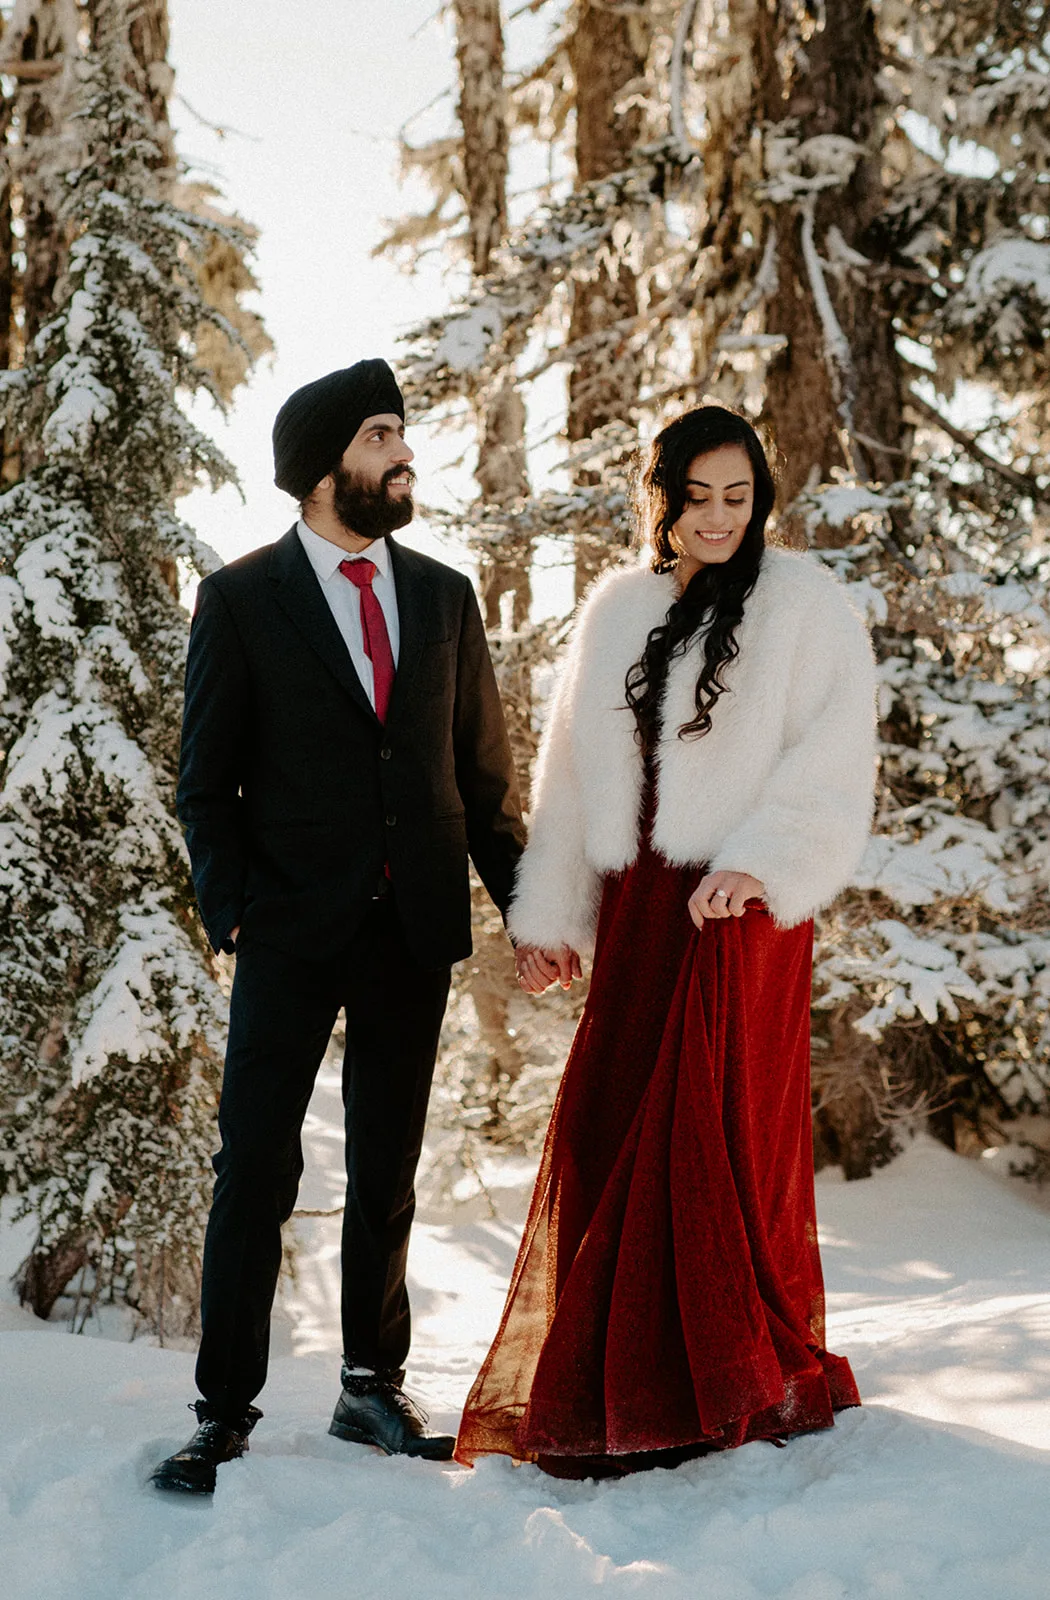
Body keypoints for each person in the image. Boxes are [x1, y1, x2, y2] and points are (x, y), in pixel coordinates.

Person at [455, 405, 877, 1478]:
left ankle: (725, 1375)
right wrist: (550, 919)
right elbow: (569, 780)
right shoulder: (618, 611)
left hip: (737, 911)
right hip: (643, 908)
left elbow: (835, 760)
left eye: (740, 497)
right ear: (664, 499)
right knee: (609, 1116)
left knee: (713, 1134)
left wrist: (762, 859)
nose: (721, 518)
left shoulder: (804, 604)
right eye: (700, 498)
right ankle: (618, 1383)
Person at [152, 359, 526, 1495]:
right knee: (252, 1164)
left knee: (387, 1166)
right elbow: (204, 786)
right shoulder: (243, 598)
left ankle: (371, 1383)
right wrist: (238, 916)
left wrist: (530, 907)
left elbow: (483, 781)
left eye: (402, 432)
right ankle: (224, 1408)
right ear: (323, 469)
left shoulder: (447, 598)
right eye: (379, 435)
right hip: (288, 931)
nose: (401, 452)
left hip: (410, 926)